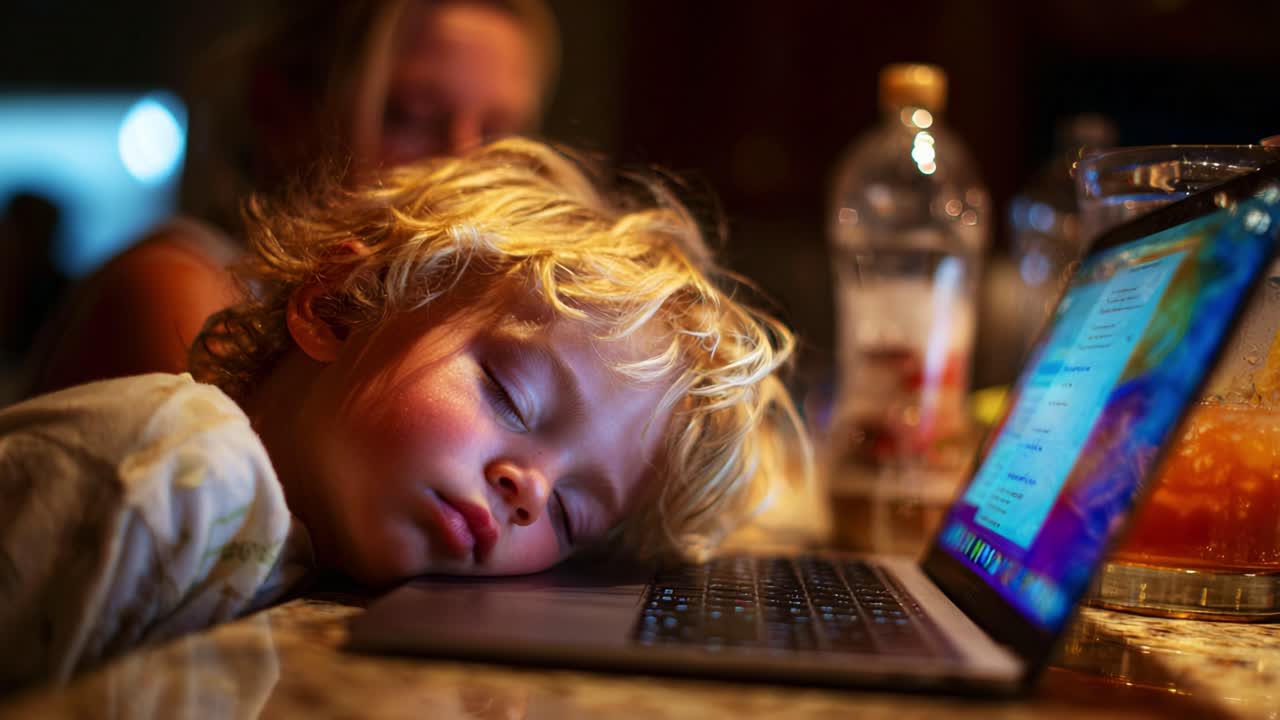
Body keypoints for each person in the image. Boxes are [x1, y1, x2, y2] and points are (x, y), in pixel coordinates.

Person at [0, 138, 811, 689]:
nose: (527, 489)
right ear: (339, 305)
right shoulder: (161, 474)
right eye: (510, 396)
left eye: (570, 513)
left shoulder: (292, 534)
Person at [24, 0, 558, 397]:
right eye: (409, 117)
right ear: (280, 111)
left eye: (498, 136)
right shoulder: (178, 289)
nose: (465, 165)